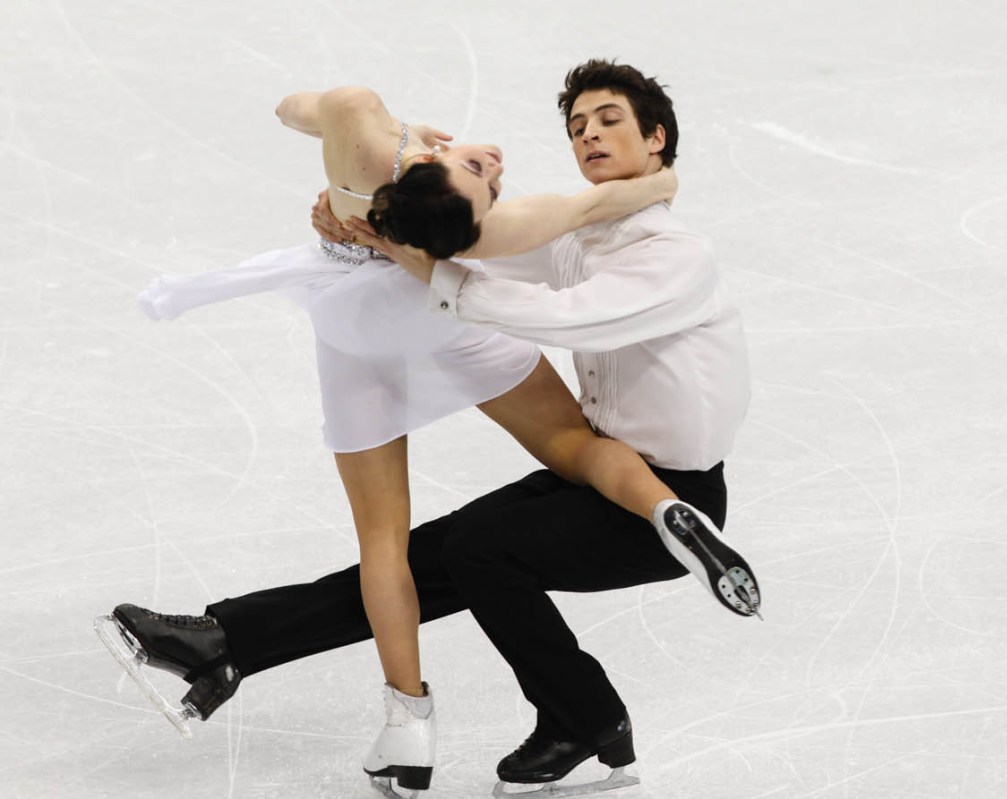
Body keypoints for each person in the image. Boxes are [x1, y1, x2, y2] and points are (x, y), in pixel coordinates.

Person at [102, 60, 756, 797]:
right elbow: (484, 246)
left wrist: (419, 260)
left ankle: (585, 717)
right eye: (578, 127)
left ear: (657, 136)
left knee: (481, 552)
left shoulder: (676, 258)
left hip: (673, 491)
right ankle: (229, 643)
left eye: (609, 121)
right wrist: (377, 230)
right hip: (605, 473)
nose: (590, 136)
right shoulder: (581, 239)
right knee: (428, 557)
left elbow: (552, 314)